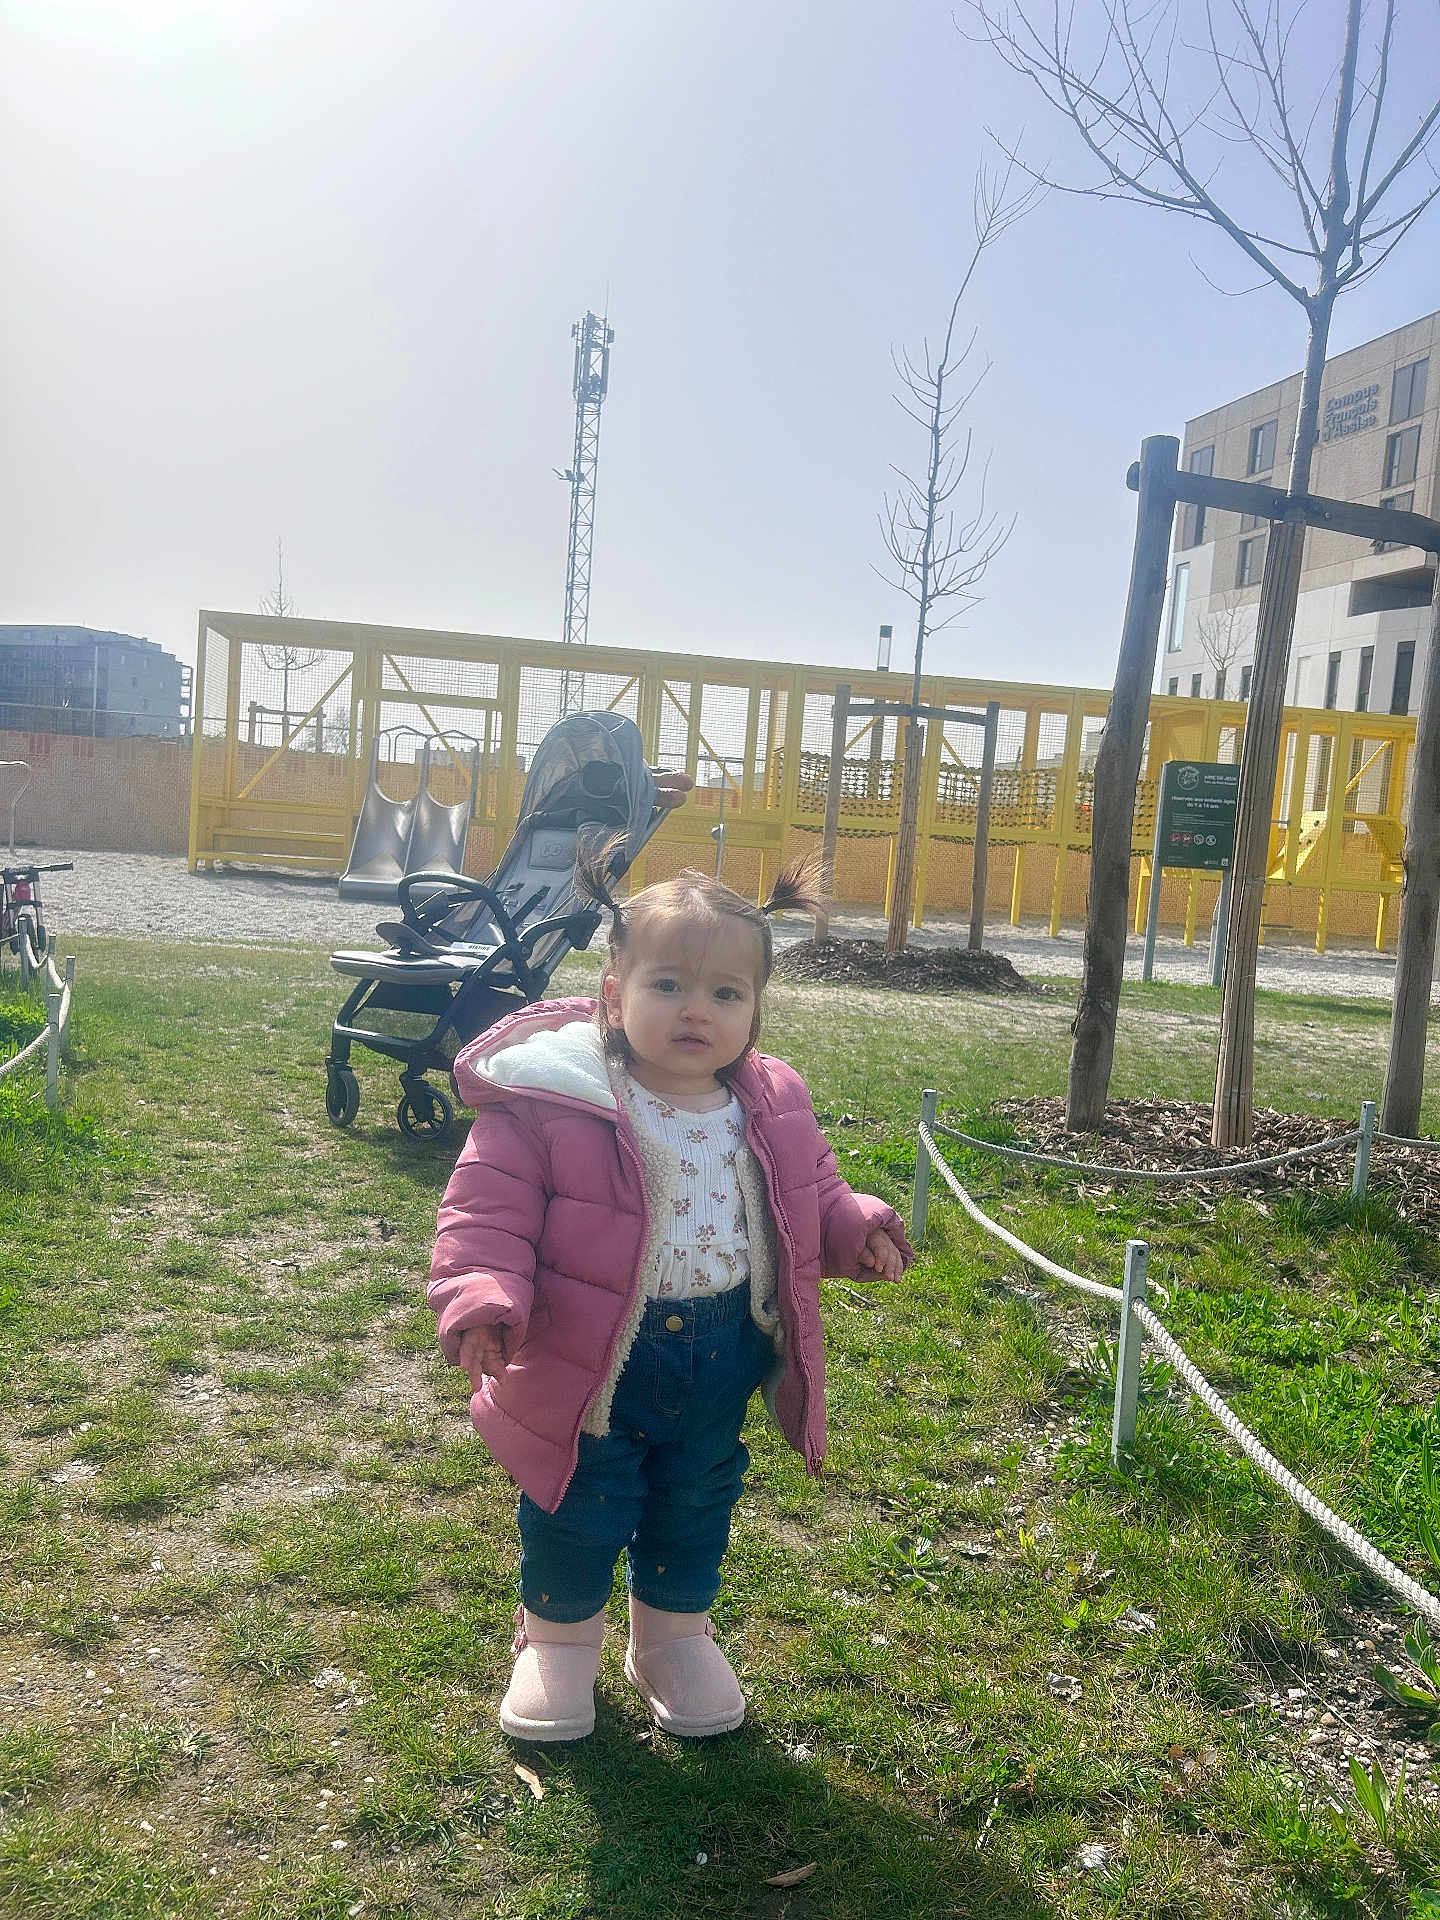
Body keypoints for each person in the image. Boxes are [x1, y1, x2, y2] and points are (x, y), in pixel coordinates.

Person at [427, 846, 911, 1743]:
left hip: (726, 1350)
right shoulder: (554, 1100)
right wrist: (483, 1294)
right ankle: (559, 1640)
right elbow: (483, 1213)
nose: (697, 1009)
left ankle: (673, 1635)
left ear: (756, 1012)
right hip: (591, 1354)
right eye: (668, 985)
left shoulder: (771, 1102)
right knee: (579, 1498)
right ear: (614, 995)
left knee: (696, 1494)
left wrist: (857, 1227)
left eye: (727, 993)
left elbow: (814, 1194)